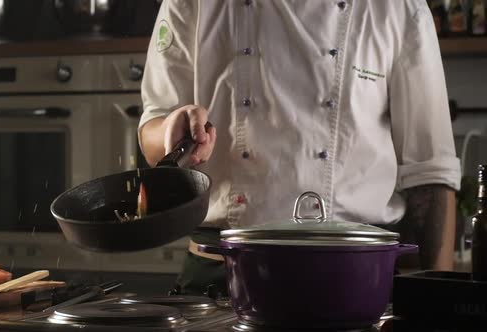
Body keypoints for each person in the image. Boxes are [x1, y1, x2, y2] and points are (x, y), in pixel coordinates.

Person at [138, 0, 461, 296]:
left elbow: (430, 171)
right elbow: (155, 141)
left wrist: (436, 304)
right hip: (221, 271)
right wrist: (170, 131)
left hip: (355, 272)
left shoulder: (396, 7)